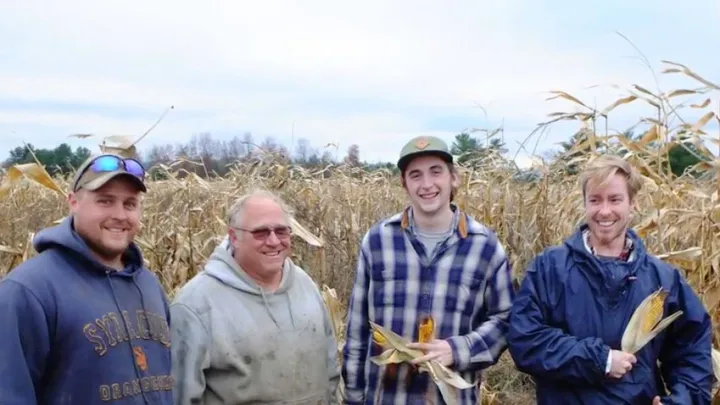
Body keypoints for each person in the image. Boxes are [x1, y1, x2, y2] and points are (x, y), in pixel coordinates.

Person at [507, 154, 714, 405]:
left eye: (615, 199)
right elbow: (525, 341)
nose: (604, 211)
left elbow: (691, 349)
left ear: (632, 204)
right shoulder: (549, 268)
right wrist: (600, 360)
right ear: (585, 204)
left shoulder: (662, 280)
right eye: (595, 200)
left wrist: (682, 400)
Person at [342, 136, 515, 405]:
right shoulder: (377, 242)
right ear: (404, 183)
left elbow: (505, 319)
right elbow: (357, 327)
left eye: (436, 171)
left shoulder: (485, 247)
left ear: (453, 178)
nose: (426, 184)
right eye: (415, 175)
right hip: (386, 397)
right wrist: (353, 395)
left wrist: (457, 350)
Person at [0, 153, 173, 405]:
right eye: (105, 201)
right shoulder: (28, 291)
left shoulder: (148, 284)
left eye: (130, 204)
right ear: (73, 202)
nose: (120, 215)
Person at [170, 189, 340, 405]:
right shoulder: (195, 304)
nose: (273, 241)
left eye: (281, 231)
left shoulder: (305, 285)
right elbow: (180, 395)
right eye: (260, 232)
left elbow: (330, 370)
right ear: (234, 237)